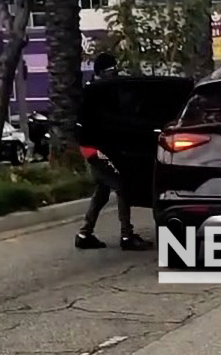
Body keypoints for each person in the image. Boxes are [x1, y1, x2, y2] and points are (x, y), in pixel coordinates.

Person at [75, 53, 153, 251]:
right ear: (102, 72)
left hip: (96, 149)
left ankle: (85, 233)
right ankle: (126, 235)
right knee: (122, 185)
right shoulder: (98, 92)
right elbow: (108, 122)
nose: (115, 73)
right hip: (96, 150)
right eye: (111, 70)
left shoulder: (101, 90)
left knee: (102, 190)